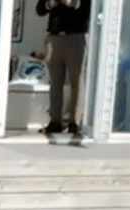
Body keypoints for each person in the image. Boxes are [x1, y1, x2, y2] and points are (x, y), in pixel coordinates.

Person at [35, 0, 91, 135]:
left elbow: (87, 11)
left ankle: (74, 123)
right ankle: (56, 122)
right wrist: (50, 3)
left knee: (75, 81)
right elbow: (40, 10)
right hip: (54, 38)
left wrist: (71, 3)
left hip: (75, 37)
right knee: (55, 82)